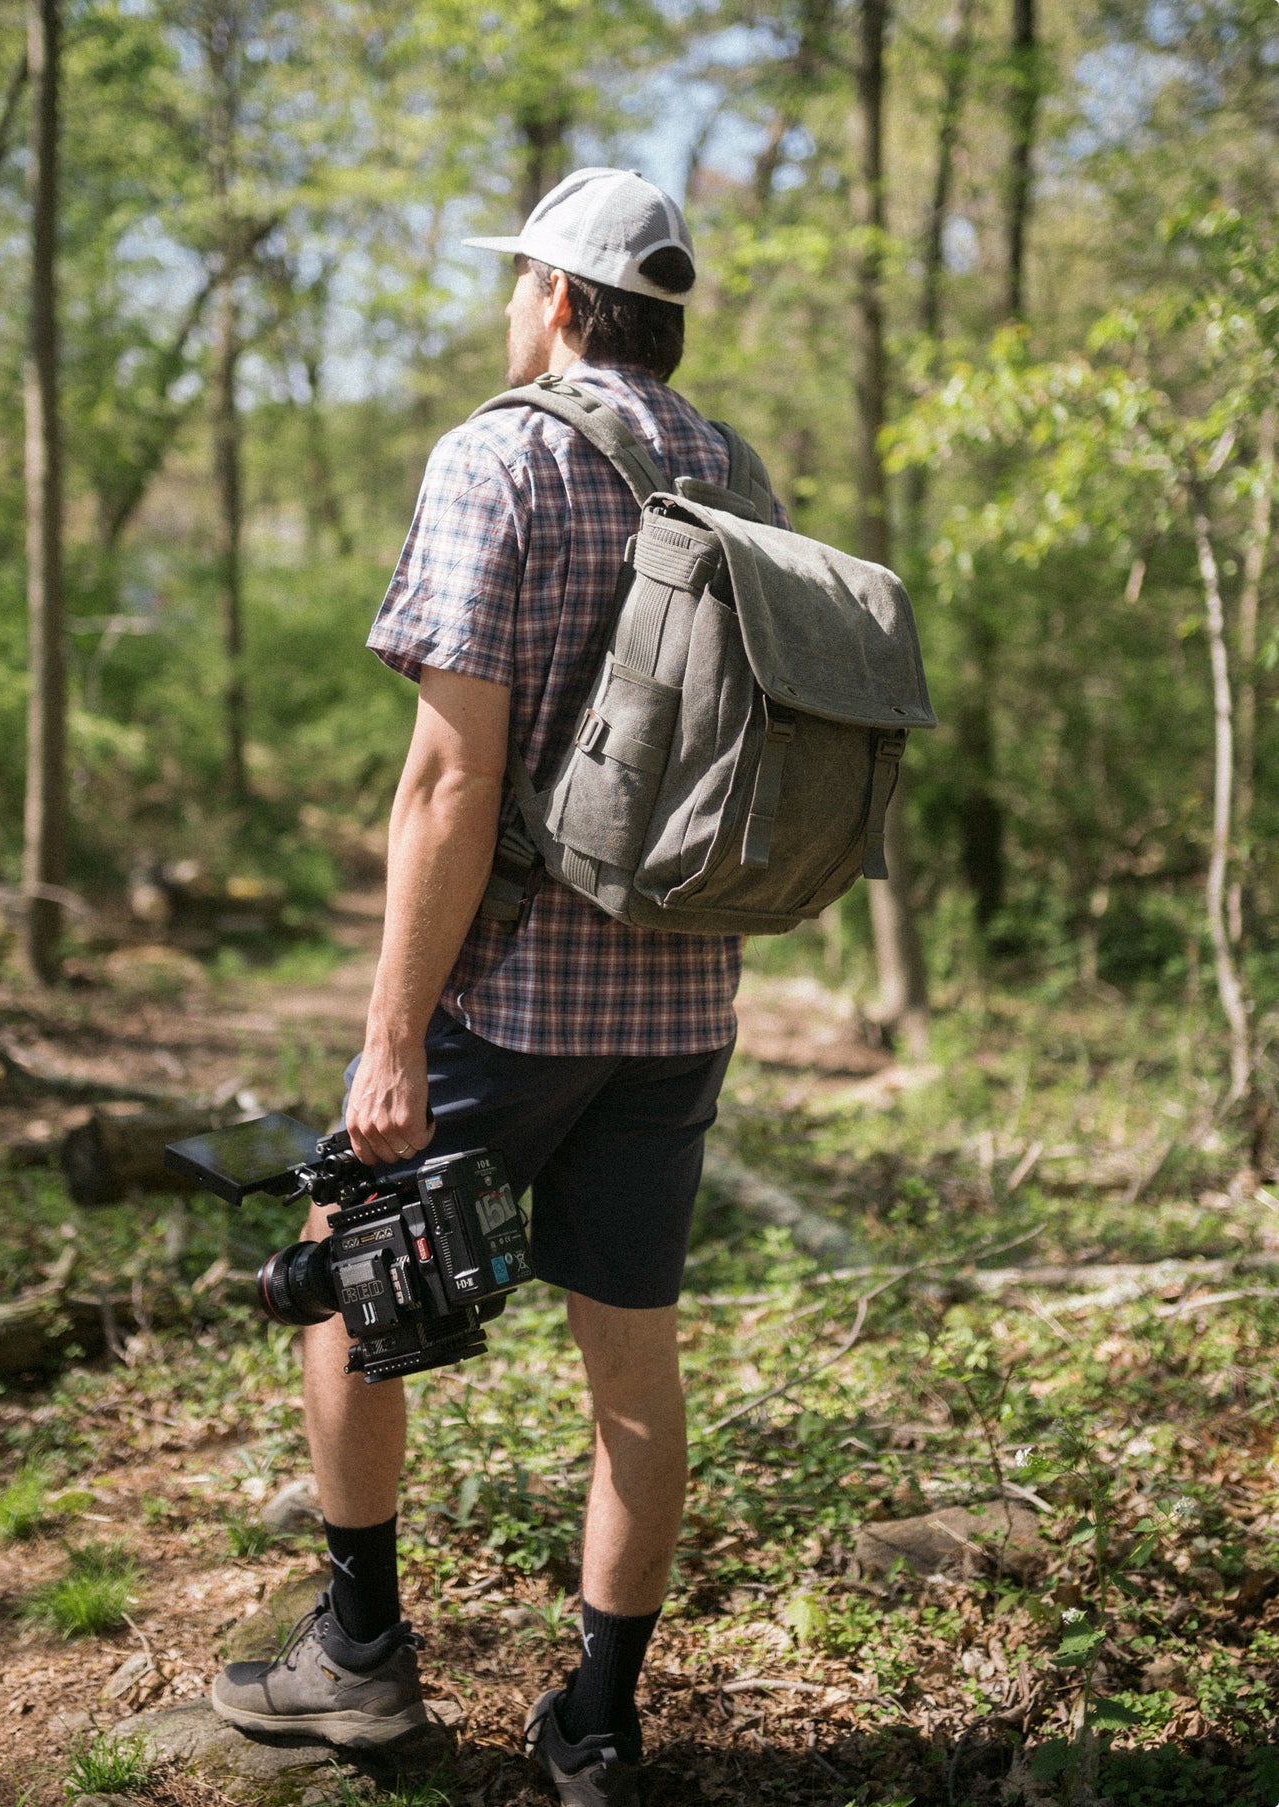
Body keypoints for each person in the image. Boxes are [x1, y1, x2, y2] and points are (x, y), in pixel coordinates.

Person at [210, 167, 786, 1807]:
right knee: (634, 1362)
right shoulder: (732, 469)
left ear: (551, 296)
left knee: (345, 1280)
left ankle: (361, 1664)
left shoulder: (500, 454)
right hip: (683, 1001)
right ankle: (597, 1730)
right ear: (659, 312)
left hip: (510, 997)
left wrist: (392, 1038)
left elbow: (449, 786)